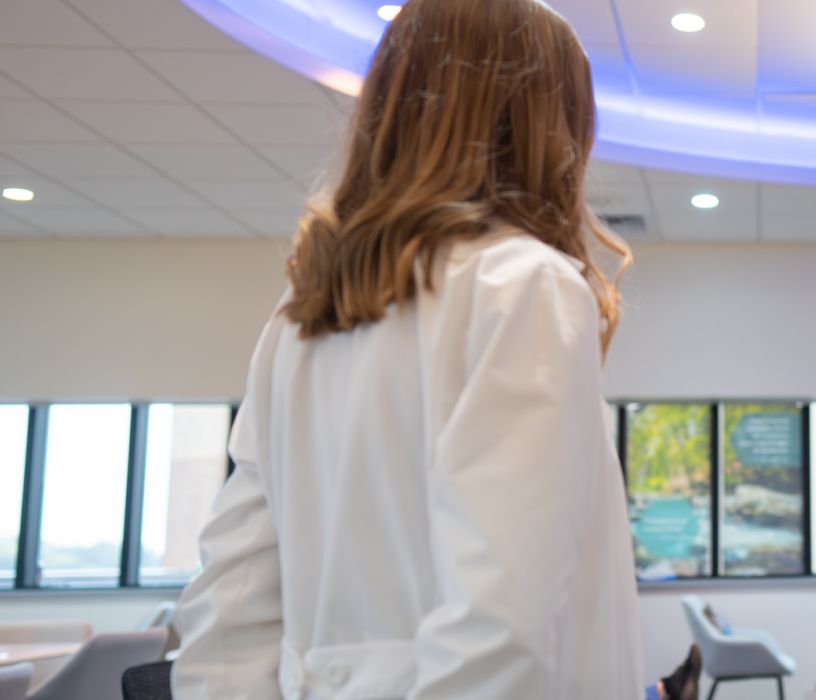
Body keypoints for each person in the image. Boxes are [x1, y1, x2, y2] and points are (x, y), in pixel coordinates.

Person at [171, 1, 696, 697]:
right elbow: (499, 634)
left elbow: (228, 610)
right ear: (547, 125)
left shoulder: (299, 320)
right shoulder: (523, 287)